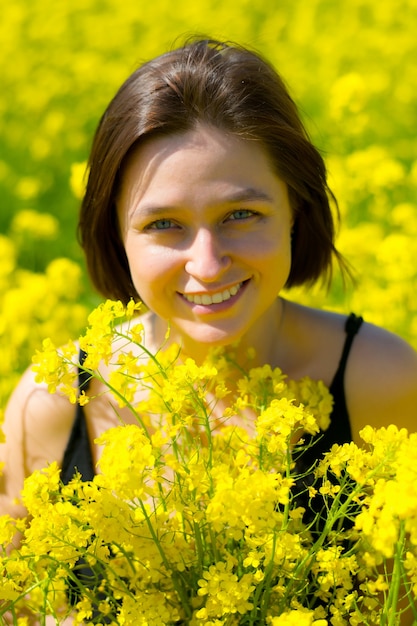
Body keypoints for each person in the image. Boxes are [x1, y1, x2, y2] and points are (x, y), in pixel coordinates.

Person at [1, 37, 417, 620]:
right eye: (164, 224)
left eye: (241, 215)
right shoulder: (52, 405)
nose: (207, 263)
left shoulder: (383, 381)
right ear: (116, 236)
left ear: (295, 210)